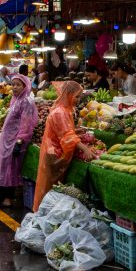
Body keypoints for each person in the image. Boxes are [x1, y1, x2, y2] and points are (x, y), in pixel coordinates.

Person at [0, 73, 38, 209]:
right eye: (13, 84)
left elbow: (27, 124)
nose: (14, 87)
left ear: (25, 86)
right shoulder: (15, 99)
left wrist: (20, 141)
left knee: (7, 169)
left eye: (18, 85)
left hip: (15, 141)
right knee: (7, 168)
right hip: (7, 139)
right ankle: (7, 199)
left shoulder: (26, 101)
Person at [33, 81, 93, 211]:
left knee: (52, 189)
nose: (78, 100)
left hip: (54, 152)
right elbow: (67, 136)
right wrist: (84, 148)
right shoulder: (60, 112)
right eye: (76, 96)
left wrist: (76, 131)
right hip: (54, 154)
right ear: (68, 94)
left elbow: (63, 131)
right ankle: (42, 216)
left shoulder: (65, 109)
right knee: (48, 190)